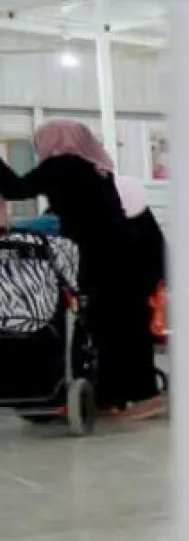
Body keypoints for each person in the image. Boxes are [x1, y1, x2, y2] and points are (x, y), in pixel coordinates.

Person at [0, 119, 163, 418]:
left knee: (113, 328)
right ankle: (118, 395)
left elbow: (17, 189)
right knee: (118, 327)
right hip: (122, 259)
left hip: (104, 260)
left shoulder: (62, 166)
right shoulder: (93, 169)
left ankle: (143, 397)